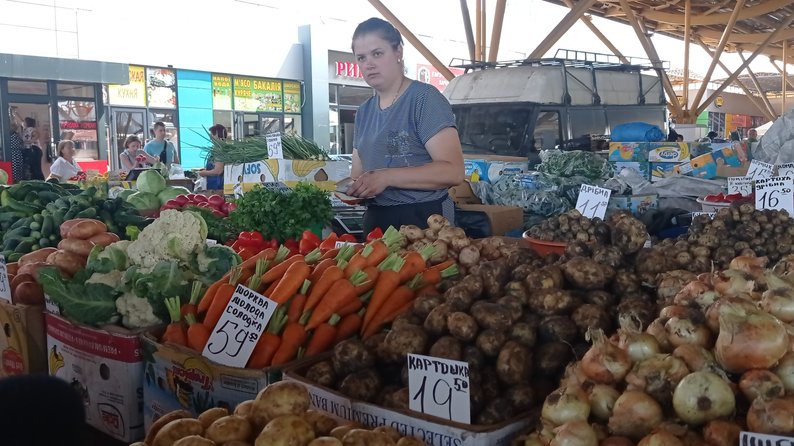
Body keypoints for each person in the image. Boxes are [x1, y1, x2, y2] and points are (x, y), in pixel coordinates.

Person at [345, 17, 464, 233]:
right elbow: (358, 173)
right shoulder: (364, 112)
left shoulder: (424, 99)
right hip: (376, 222)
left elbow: (453, 171)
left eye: (377, 53)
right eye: (361, 58)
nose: (369, 64)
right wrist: (356, 189)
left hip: (426, 221)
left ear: (398, 52)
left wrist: (386, 177)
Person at [196, 124, 226, 192]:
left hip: (217, 188)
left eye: (212, 134)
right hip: (214, 187)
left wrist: (203, 173)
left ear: (217, 135)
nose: (210, 137)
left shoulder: (220, 150)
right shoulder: (219, 149)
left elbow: (218, 171)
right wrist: (206, 169)